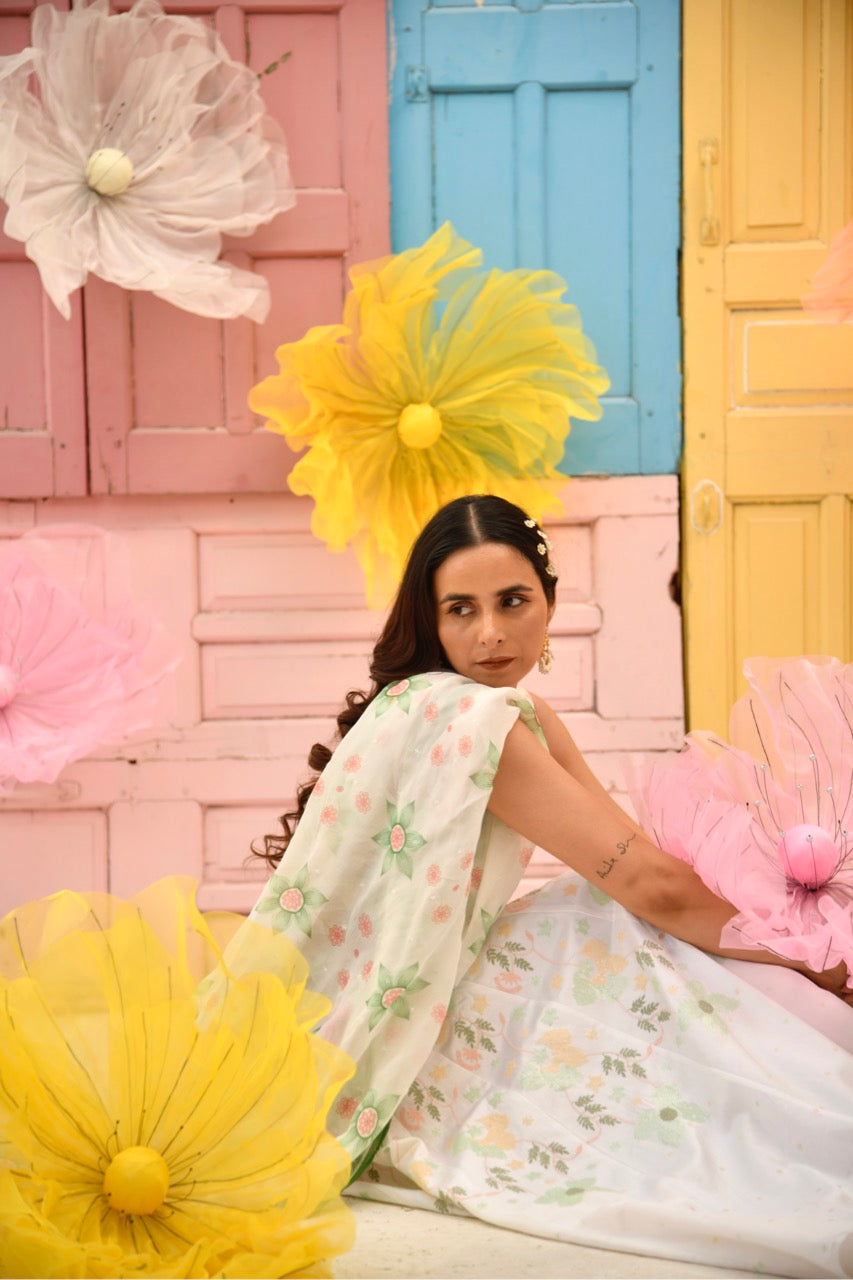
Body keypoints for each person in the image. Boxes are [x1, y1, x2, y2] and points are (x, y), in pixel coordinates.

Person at [233, 495, 853, 1278]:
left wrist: (782, 921)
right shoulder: (469, 718)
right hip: (424, 1015)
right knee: (637, 943)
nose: (489, 633)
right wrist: (805, 958)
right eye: (460, 610)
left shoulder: (495, 710)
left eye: (512, 602)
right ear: (431, 622)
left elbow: (639, 859)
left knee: (632, 930)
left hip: (440, 974)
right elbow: (648, 886)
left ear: (549, 604)